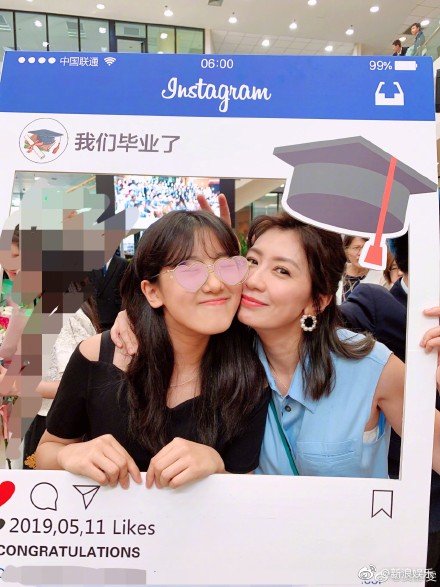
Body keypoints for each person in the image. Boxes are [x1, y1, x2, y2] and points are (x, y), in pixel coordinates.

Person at [112, 210, 440, 478]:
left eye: (281, 271)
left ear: (317, 301)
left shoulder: (371, 368)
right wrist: (134, 318)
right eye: (252, 262)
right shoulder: (225, 354)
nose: (254, 280)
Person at [35, 211, 269, 489]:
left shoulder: (248, 375)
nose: (216, 284)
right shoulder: (96, 356)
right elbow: (47, 449)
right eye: (190, 270)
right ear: (152, 292)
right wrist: (70, 454)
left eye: (226, 266)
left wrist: (216, 465)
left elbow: (244, 490)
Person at [23, 296, 101, 469]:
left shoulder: (63, 316)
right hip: (54, 420)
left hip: (56, 426)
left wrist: (18, 386)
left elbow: (73, 385)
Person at [337, 235, 388, 303]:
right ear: (346, 250)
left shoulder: (380, 276)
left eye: (365, 247)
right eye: (356, 248)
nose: (361, 253)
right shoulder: (336, 271)